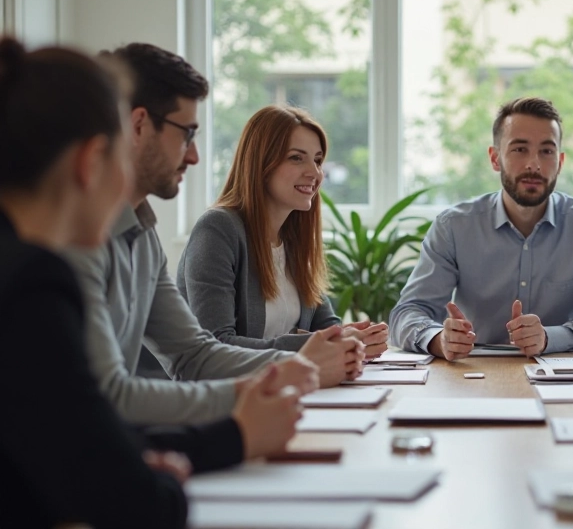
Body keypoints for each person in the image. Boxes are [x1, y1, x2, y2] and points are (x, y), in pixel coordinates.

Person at [0, 38, 300, 529]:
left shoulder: (51, 258)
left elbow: (74, 439)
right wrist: (229, 436)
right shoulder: (34, 279)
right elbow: (128, 489)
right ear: (92, 160)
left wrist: (139, 461)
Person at [62, 43, 364, 425]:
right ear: (137, 126)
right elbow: (109, 396)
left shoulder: (143, 235)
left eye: (318, 161)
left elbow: (194, 354)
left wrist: (304, 361)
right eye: (186, 134)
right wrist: (292, 368)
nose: (194, 157)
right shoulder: (74, 239)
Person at [390, 97, 573, 359]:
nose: (534, 164)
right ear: (495, 158)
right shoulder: (453, 227)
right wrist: (438, 339)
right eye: (520, 150)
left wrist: (550, 337)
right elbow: (408, 312)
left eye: (547, 151)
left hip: (563, 374)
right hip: (475, 373)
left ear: (561, 162)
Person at [177, 105, 388, 357]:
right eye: (297, 158)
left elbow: (325, 327)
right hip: (234, 394)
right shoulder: (218, 230)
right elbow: (216, 348)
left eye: (318, 160)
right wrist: (321, 344)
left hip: (293, 390)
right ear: (261, 163)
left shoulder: (294, 239)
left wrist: (355, 339)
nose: (315, 173)